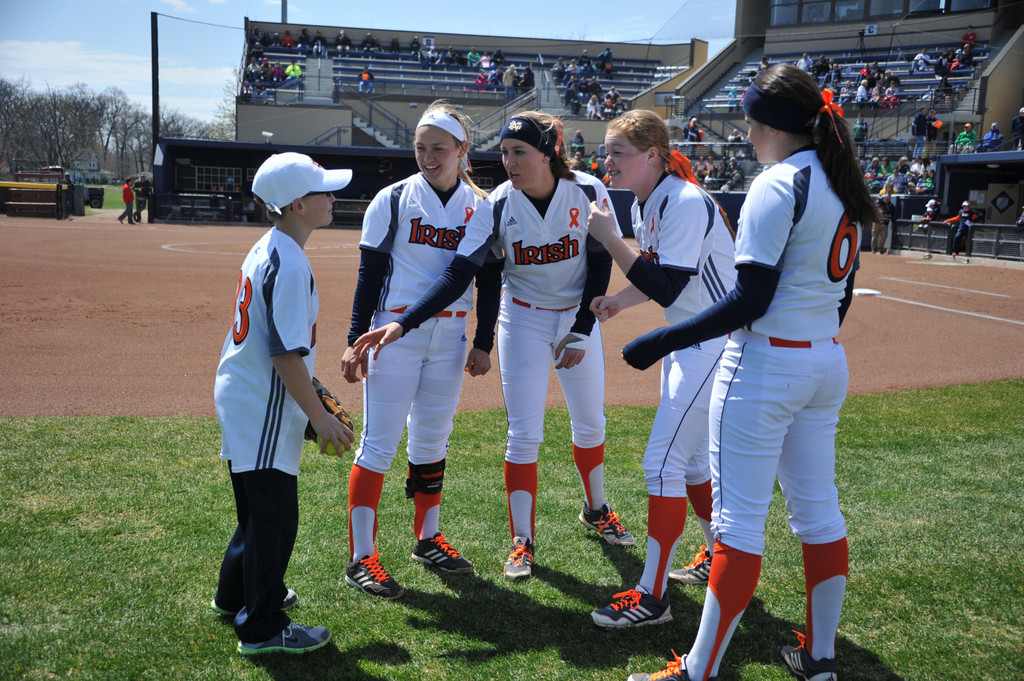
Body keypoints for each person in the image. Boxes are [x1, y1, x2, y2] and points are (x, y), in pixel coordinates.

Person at [623, 63, 877, 681]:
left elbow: (749, 300)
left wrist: (661, 339)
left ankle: (697, 670)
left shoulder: (778, 181)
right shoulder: (840, 176)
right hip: (824, 359)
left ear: (765, 122)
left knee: (738, 526)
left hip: (764, 364)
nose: (745, 126)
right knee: (819, 514)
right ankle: (818, 657)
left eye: (748, 116)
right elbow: (843, 292)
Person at [351, 111, 635, 583]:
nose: (508, 162)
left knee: (589, 422)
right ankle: (520, 540)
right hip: (518, 315)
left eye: (519, 152)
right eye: (503, 152)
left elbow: (601, 262)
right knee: (521, 433)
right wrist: (400, 325)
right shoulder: (494, 204)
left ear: (548, 153)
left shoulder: (585, 191)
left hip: (568, 318)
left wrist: (583, 327)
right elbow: (463, 274)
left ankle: (596, 507)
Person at [583, 110, 736, 629]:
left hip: (711, 339)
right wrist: (621, 302)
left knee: (662, 464)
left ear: (652, 154)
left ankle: (653, 597)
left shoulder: (684, 200)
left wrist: (608, 237)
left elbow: (670, 286)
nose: (608, 163)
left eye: (617, 153)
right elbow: (660, 277)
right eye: (607, 153)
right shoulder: (657, 199)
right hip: (691, 336)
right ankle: (717, 555)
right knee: (690, 465)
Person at [339, 103, 492, 600]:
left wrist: (483, 340)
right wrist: (354, 339)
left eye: (439, 148)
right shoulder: (393, 198)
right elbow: (370, 275)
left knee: (432, 441)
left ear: (461, 150)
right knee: (379, 444)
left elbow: (475, 278)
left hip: (447, 334)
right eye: (421, 147)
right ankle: (362, 558)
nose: (428, 156)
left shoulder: (480, 205)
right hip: (391, 334)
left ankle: (427, 539)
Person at [211, 152, 354, 655]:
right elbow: (284, 354)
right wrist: (318, 415)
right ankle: (263, 626)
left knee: (255, 511)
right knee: (275, 518)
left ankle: (235, 597)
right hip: (264, 401)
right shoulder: (289, 262)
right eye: (324, 192)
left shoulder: (270, 245)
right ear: (298, 203)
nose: (333, 198)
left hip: (243, 395)